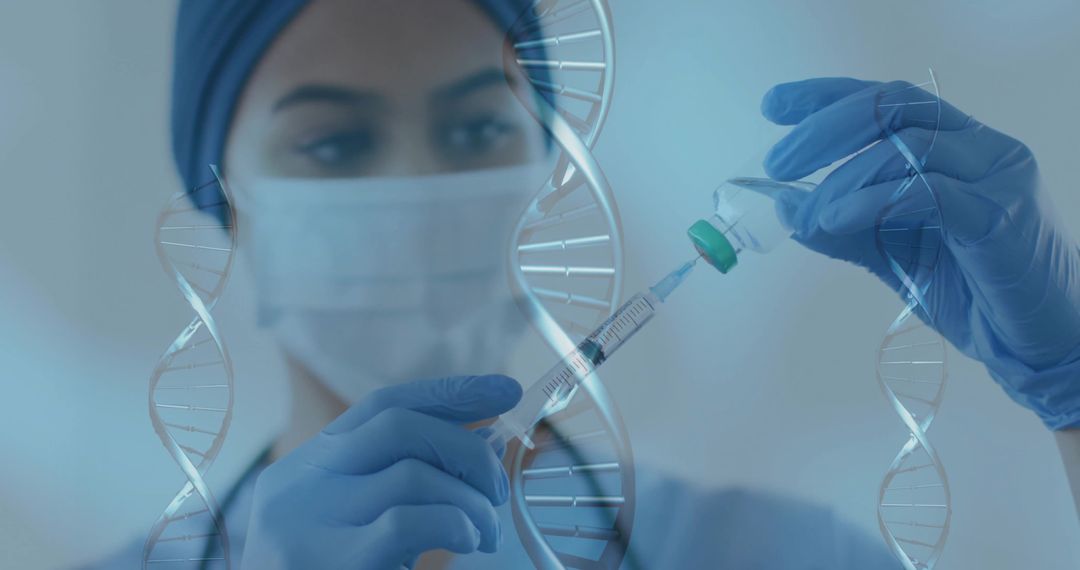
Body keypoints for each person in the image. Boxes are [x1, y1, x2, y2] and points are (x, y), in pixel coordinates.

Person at [86, 0, 1080, 568]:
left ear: (544, 176)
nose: (426, 188)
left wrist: (1074, 393)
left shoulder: (754, 554)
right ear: (225, 205)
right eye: (335, 141)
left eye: (478, 129)